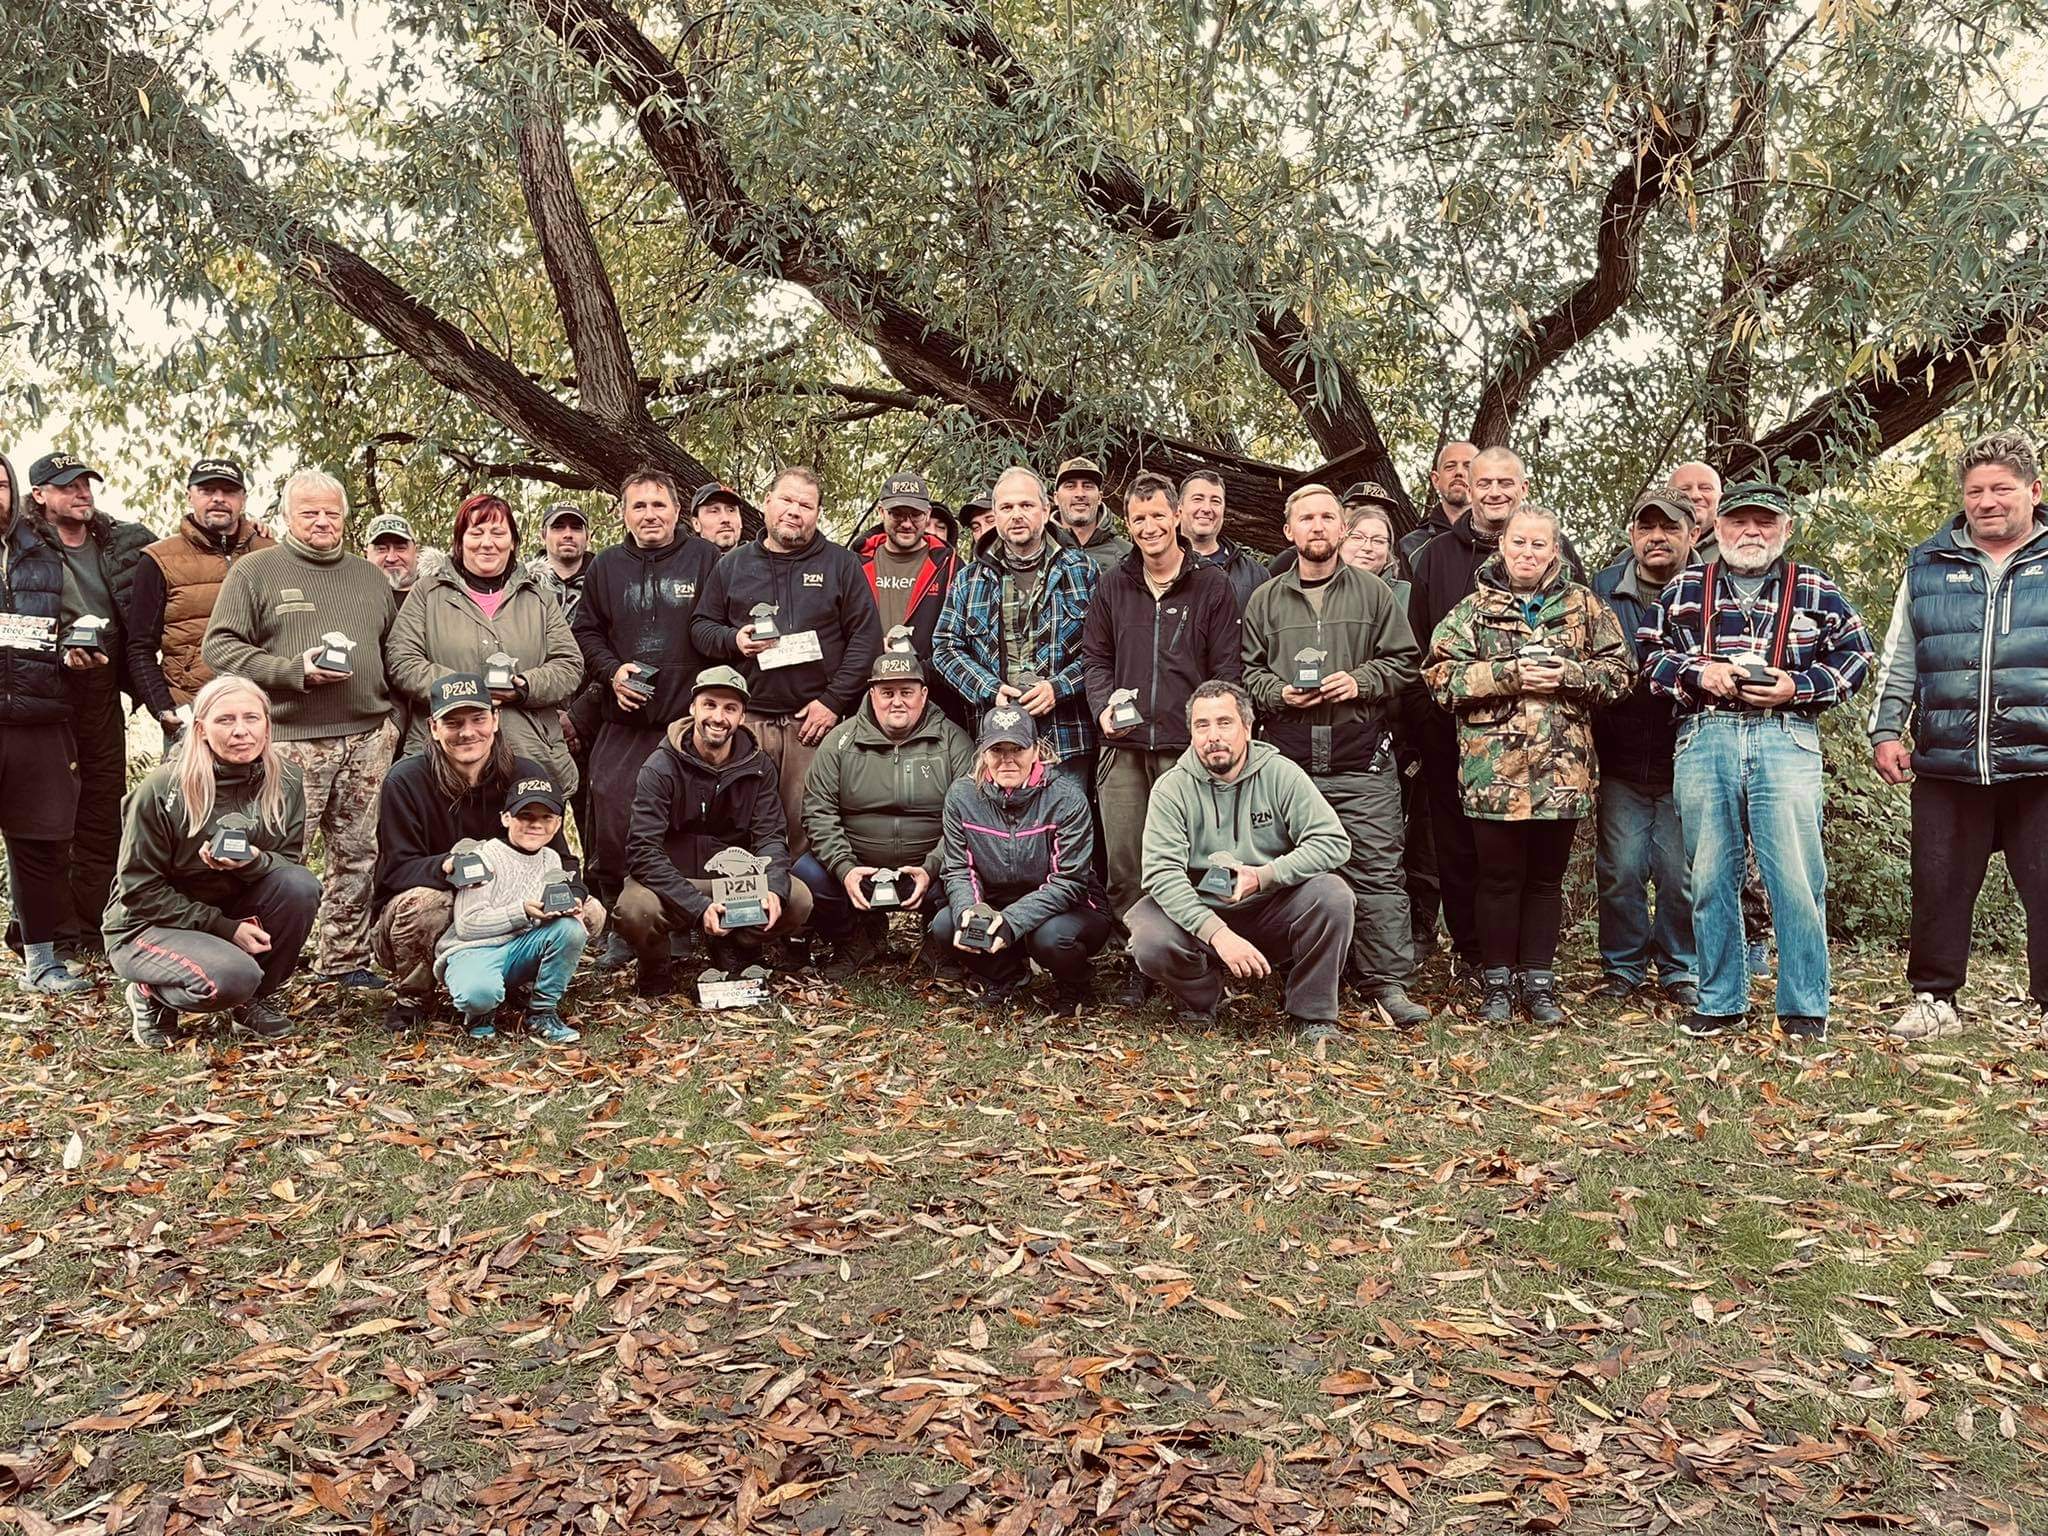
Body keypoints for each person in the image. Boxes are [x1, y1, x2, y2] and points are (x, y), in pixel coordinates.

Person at [1644, 482, 1873, 1042]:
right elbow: (1648, 656)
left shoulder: (1815, 586)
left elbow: (1858, 654)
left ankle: (1804, 1006)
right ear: (1716, 530)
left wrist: (1799, 684)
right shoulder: (1685, 588)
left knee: (1795, 875)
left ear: (1785, 530)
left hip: (1786, 736)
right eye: (1740, 522)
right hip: (1705, 734)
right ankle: (1721, 1000)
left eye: (1765, 523)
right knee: (1710, 874)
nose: (1752, 532)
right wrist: (1702, 674)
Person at [1869, 432, 2048, 1039]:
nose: (1987, 501)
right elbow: (1902, 657)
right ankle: (1933, 1000)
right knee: (1939, 884)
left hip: (2041, 763)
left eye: (2002, 488)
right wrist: (1886, 728)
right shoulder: (1927, 564)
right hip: (1948, 760)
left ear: (2034, 490)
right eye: (1975, 491)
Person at [1426, 507, 1633, 1025]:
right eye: (1519, 542)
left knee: (1545, 881)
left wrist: (1569, 674)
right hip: (1492, 773)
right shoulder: (1472, 610)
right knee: (1496, 879)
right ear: (1503, 546)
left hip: (1561, 773)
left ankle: (1539, 983)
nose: (1527, 553)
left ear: (1555, 552)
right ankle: (1497, 983)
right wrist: (1508, 674)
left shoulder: (1584, 607)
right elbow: (1438, 678)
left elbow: (1621, 674)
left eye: (1539, 545)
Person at [202, 468, 398, 989]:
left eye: (332, 513)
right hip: (290, 741)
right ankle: (265, 964)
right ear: (287, 515)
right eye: (309, 512)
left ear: (345, 519)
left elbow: (393, 653)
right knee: (279, 856)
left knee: (358, 853)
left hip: (368, 737)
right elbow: (219, 648)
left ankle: (344, 960)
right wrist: (293, 671)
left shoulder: (370, 577)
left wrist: (392, 720)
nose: (321, 522)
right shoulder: (255, 571)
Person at [1243, 484, 1429, 1027]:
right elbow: (1246, 672)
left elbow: (1404, 663)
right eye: (1307, 518)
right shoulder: (1266, 599)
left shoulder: (1374, 595)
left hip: (1361, 759)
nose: (1318, 526)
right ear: (1289, 531)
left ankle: (1386, 983)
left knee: (1376, 872)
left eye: (1328, 517)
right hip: (1290, 766)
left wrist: (1361, 681)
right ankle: (1292, 974)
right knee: (1284, 872)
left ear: (1342, 529)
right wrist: (1279, 693)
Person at [1409, 446, 1584, 980]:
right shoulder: (1435, 556)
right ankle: (1474, 957)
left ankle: (1522, 967)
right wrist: (1433, 728)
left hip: (1549, 752)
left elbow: (1595, 656)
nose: (1493, 492)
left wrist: (1567, 679)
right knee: (1460, 855)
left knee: (1531, 867)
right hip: (1457, 735)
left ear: (1523, 487)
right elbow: (1425, 656)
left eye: (1506, 482)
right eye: (1483, 482)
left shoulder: (1567, 569)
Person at [1079, 472, 1243, 1001]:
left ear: (1176, 517)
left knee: (1189, 858)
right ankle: (1138, 960)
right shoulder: (1113, 583)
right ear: (1127, 524)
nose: (1149, 527)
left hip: (1185, 749)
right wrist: (1103, 708)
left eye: (1157, 515)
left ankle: (1195, 958)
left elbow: (1225, 669)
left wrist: (1213, 731)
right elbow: (1096, 659)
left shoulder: (1211, 585)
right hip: (1123, 748)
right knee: (1127, 863)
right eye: (1138, 518)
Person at [1127, 680, 1357, 1037]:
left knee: (1333, 895)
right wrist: (1218, 934)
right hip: (1201, 912)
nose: (1213, 736)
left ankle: (1312, 1014)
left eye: (1224, 722)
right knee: (1149, 934)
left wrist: (1264, 875)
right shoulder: (1172, 788)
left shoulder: (1281, 774)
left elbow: (1332, 841)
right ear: (1191, 733)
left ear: (1247, 728)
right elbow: (1161, 874)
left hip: (1270, 907)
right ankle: (1201, 999)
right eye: (1202, 725)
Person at [105, 675, 322, 1046]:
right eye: (226, 720)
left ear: (268, 726)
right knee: (233, 978)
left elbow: (288, 865)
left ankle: (256, 1001)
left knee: (301, 885)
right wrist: (224, 927)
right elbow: (138, 891)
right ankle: (148, 994)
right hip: (147, 926)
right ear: (202, 729)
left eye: (251, 718)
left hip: (227, 914)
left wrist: (253, 862)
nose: (241, 731)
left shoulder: (286, 779)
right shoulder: (161, 790)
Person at [693, 466, 883, 858]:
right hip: (749, 719)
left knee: (807, 827)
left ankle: (801, 913)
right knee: (740, 822)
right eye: (787, 500)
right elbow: (700, 627)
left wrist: (833, 703)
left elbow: (866, 640)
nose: (794, 511)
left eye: (806, 504)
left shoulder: (841, 565)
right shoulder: (732, 565)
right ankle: (745, 912)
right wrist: (734, 640)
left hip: (812, 724)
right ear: (765, 504)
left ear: (817, 514)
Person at [371, 673, 577, 1030]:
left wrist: (573, 894)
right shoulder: (405, 780)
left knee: (586, 911)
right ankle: (414, 996)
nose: (467, 732)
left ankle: (521, 983)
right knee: (426, 902)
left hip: (505, 908)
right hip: (430, 911)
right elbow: (395, 870)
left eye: (478, 719)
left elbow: (561, 858)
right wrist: (446, 866)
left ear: (495, 720)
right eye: (453, 723)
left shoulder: (525, 773)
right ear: (433, 727)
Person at [569, 467, 721, 948]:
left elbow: (721, 628)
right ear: (622, 514)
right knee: (614, 811)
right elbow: (586, 633)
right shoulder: (606, 566)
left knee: (687, 819)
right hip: (624, 719)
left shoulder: (707, 559)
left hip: (686, 721)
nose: (650, 514)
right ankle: (620, 918)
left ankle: (683, 923)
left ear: (678, 512)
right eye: (639, 505)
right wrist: (612, 672)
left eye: (659, 504)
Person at [24, 452, 155, 963]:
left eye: (86, 484)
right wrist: (57, 652)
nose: (81, 493)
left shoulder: (120, 540)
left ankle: (96, 924)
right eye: (66, 486)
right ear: (40, 496)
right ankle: (50, 931)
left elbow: (182, 553)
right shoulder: (23, 545)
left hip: (101, 688)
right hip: (47, 690)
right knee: (50, 813)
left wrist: (251, 535)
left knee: (104, 805)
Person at [614, 667, 814, 995]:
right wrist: (696, 905)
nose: (718, 717)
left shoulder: (758, 766)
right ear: (693, 708)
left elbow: (770, 837)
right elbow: (642, 851)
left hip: (734, 882)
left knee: (798, 898)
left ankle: (739, 944)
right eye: (709, 705)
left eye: (730, 708)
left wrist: (775, 891)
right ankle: (655, 961)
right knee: (635, 909)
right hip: (676, 879)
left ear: (742, 717)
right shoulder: (660, 766)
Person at [386, 493, 584, 792]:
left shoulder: (539, 598)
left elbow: (569, 665)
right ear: (460, 541)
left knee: (525, 837)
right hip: (444, 752)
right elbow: (402, 660)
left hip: (529, 751)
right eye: (476, 532)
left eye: (498, 533)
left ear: (513, 542)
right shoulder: (428, 593)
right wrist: (465, 691)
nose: (487, 542)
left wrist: (524, 687)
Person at [796, 653, 974, 973]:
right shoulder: (840, 741)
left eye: (906, 692)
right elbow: (817, 810)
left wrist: (932, 867)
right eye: (887, 693)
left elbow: (969, 819)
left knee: (976, 868)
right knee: (807, 875)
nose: (897, 702)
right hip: (859, 867)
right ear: (871, 695)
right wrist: (845, 868)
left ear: (924, 694)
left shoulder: (955, 742)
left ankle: (939, 942)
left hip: (930, 869)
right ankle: (855, 939)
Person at [1589, 491, 1699, 1006]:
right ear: (1632, 535)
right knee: (1621, 870)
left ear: (1693, 534)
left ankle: (1680, 967)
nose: (1657, 537)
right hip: (1621, 756)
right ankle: (1623, 967)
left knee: (1681, 875)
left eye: (1669, 528)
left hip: (1692, 757)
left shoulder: (1713, 588)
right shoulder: (1602, 589)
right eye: (1646, 527)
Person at [0, 448, 100, 996]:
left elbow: (69, 625)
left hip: (40, 719)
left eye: (0, 484)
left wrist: (75, 651)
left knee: (40, 845)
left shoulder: (41, 552)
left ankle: (42, 962)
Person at [931, 704, 1111, 1009]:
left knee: (1050, 937)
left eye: (1018, 748)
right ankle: (1007, 975)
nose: (1007, 759)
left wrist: (1011, 922)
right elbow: (960, 869)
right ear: (983, 754)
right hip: (997, 899)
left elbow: (1068, 881)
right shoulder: (961, 796)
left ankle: (1076, 984)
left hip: (1070, 907)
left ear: (1037, 750)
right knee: (948, 925)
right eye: (997, 750)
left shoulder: (1067, 798)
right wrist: (971, 913)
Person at [933, 467, 1100, 769]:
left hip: (1067, 740)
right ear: (995, 515)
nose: (1016, 515)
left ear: (1047, 509)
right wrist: (988, 687)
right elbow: (945, 647)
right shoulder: (969, 580)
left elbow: (1104, 650)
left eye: (1026, 505)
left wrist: (1059, 687)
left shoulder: (1083, 571)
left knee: (1065, 817)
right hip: (995, 742)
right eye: (1007, 507)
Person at [433, 772, 601, 1045]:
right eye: (526, 816)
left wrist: (560, 912)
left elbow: (551, 918)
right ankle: (480, 1013)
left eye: (546, 817)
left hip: (520, 948)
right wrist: (521, 910)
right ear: (506, 818)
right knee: (479, 994)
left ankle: (542, 1011)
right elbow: (467, 925)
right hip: (475, 950)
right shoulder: (483, 856)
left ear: (558, 824)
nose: (536, 825)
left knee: (571, 928)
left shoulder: (552, 859)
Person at [127, 456, 275, 744]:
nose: (219, 499)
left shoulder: (270, 551)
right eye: (207, 491)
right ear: (190, 495)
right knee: (191, 790)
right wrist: (163, 709)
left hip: (262, 709)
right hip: (194, 711)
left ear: (243, 499)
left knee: (266, 790)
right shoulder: (158, 559)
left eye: (229, 491)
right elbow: (139, 647)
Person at [849, 470, 964, 727]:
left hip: (932, 696)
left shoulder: (949, 564)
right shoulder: (856, 562)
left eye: (915, 515)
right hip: (868, 692)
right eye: (898, 514)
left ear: (927, 515)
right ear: (881, 512)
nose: (907, 523)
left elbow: (960, 636)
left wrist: (925, 670)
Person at [1180, 471, 1264, 610]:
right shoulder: (1152, 567)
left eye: (1215, 501)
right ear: (1179, 508)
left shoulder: (1255, 575)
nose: (1207, 508)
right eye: (1198, 499)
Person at [1399, 440, 1477, 568]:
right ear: (1436, 480)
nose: (1459, 472)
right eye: (1450, 466)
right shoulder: (1411, 547)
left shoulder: (1503, 543)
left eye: (1468, 466)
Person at [1053, 456, 1130, 577]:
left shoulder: (1128, 554)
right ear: (1056, 498)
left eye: (1087, 486)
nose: (1080, 494)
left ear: (1099, 497)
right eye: (1070, 486)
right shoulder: (1041, 549)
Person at [526, 502, 593, 617]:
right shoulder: (523, 584)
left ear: (588, 537)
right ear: (543, 535)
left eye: (576, 527)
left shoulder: (605, 583)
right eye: (558, 527)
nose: (567, 534)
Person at [364, 512, 448, 597]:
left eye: (400, 548)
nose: (391, 558)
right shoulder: (352, 597)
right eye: (381, 549)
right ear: (366, 554)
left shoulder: (442, 594)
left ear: (416, 552)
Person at [1669, 461, 1723, 561]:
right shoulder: (1651, 547)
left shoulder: (1735, 547)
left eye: (1706, 488)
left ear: (1720, 498)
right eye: (1684, 489)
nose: (1695, 495)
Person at [690, 482, 746, 553]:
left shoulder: (761, 561)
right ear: (696, 524)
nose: (725, 519)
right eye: (714, 511)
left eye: (731, 510)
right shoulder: (683, 562)